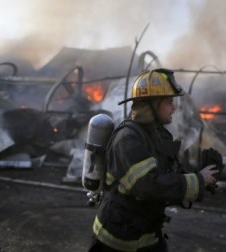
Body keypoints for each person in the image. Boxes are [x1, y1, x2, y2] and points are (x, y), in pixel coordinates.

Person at [89, 68, 219, 252]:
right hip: (117, 241)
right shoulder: (128, 139)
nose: (173, 107)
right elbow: (147, 186)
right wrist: (197, 181)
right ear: (151, 104)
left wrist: (201, 177)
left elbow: (166, 175)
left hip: (147, 236)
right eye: (168, 101)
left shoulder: (157, 134)